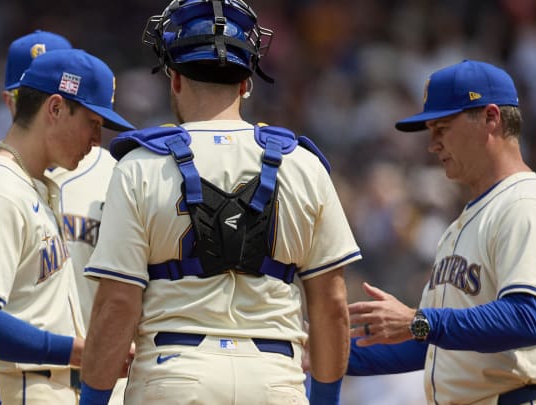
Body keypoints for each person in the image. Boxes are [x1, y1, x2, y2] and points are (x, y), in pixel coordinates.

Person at [79, 1, 361, 404]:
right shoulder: (303, 165)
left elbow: (117, 304)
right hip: (275, 378)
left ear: (174, 79)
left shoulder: (140, 167)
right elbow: (332, 305)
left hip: (173, 374)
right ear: (247, 83)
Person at [346, 60, 536, 404]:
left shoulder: (525, 204)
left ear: (491, 118)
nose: (433, 144)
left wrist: (418, 320)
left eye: (442, 127)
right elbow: (431, 346)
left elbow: (526, 317)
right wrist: (328, 354)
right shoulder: (466, 221)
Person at [0, 48, 133, 405]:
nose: (97, 141)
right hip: (18, 387)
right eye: (92, 123)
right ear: (54, 108)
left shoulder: (30, 184)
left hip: (48, 384)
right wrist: (80, 351)